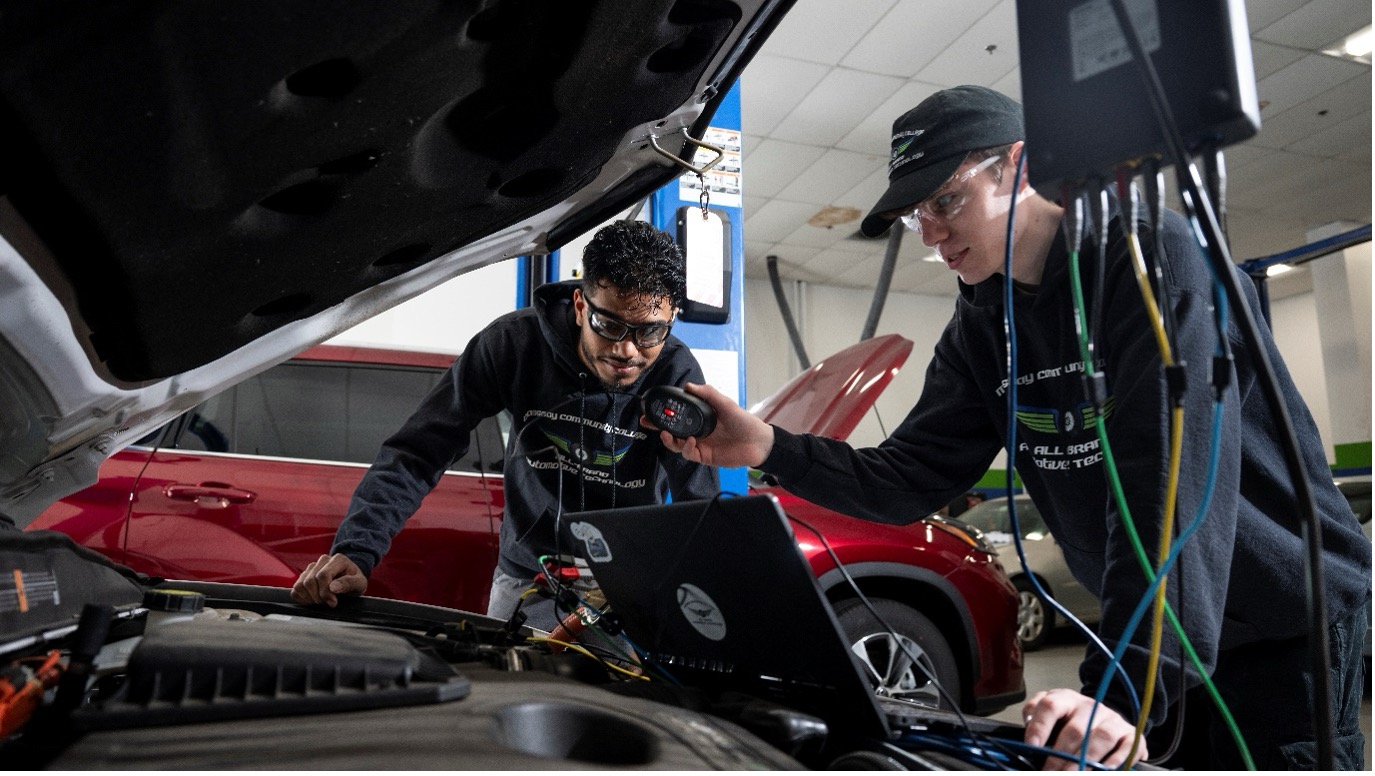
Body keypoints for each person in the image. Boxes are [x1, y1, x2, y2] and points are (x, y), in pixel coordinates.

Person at [655, 86, 1371, 770]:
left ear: (1020, 167)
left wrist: (1119, 692)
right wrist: (769, 447)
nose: (930, 234)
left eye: (945, 200)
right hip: (1168, 638)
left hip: (1280, 625)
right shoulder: (980, 326)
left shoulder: (1149, 258)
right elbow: (906, 479)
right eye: (914, 215)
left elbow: (1171, 491)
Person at [292, 220, 719, 631]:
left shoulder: (675, 372)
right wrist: (357, 549)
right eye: (609, 325)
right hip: (528, 579)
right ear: (579, 306)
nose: (628, 349)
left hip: (629, 585)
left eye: (650, 332)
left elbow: (698, 502)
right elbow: (419, 451)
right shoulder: (512, 346)